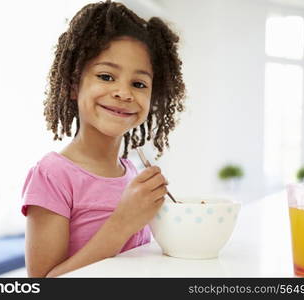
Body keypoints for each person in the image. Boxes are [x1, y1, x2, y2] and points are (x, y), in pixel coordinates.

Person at [21, 0, 185, 277]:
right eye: (106, 76)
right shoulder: (53, 175)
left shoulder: (131, 173)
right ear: (74, 85)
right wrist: (123, 222)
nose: (124, 93)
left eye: (139, 83)